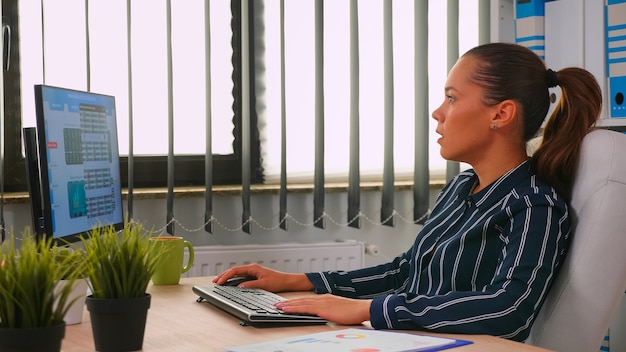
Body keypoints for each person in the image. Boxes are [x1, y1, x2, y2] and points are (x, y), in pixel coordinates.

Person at [213, 42, 603, 342]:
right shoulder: (461, 187)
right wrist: (298, 281)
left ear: (500, 114)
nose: (438, 113)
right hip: (408, 340)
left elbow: (509, 308)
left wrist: (368, 309)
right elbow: (406, 271)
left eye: (452, 98)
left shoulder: (534, 206)